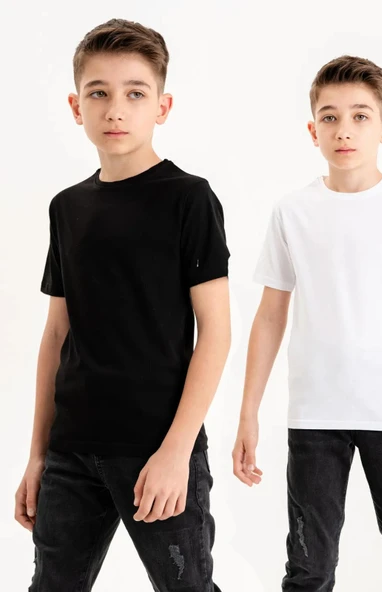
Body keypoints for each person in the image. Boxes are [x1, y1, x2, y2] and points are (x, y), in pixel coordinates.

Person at [233, 55, 382, 591]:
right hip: (314, 418)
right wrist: (248, 412)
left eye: (361, 116)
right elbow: (270, 314)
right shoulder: (293, 211)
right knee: (309, 569)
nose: (344, 130)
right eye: (331, 117)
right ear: (312, 129)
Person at [14, 18, 230, 592]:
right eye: (99, 93)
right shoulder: (67, 207)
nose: (115, 110)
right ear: (75, 105)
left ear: (162, 106)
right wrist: (37, 454)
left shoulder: (189, 199)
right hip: (71, 450)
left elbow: (215, 332)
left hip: (156, 445)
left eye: (135, 93)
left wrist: (177, 451)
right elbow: (55, 335)